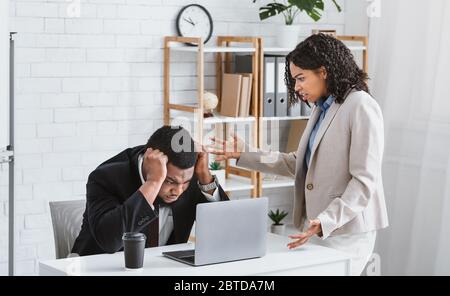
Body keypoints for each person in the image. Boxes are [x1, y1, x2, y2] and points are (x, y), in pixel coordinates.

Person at [209, 34, 389, 275]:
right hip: (315, 227)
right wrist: (245, 153)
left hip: (346, 231)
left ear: (324, 71)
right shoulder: (321, 108)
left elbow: (364, 181)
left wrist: (327, 219)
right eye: (294, 80)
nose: (296, 87)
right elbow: (299, 163)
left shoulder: (360, 106)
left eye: (301, 78)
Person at [72, 125, 228, 256]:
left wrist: (205, 176)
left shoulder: (188, 175)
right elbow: (109, 242)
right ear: (149, 161)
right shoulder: (105, 177)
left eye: (185, 183)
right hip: (99, 268)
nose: (178, 191)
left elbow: (225, 228)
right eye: (169, 181)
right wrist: (153, 182)